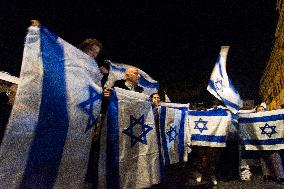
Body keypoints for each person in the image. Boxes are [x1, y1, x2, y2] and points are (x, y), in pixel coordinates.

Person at [255, 104, 284, 184]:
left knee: (275, 158)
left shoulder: (270, 117)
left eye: (262, 109)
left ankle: (280, 176)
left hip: (272, 143)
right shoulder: (254, 119)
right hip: (261, 143)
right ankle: (267, 175)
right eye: (259, 109)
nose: (260, 111)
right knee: (264, 159)